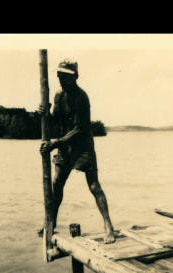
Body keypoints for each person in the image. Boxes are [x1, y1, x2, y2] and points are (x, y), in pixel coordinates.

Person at [38, 59, 116, 244]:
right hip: (65, 147)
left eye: (65, 77)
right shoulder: (58, 96)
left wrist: (55, 143)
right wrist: (45, 113)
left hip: (83, 146)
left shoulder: (82, 97)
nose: (61, 80)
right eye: (59, 76)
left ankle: (108, 227)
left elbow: (80, 128)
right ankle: (51, 223)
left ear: (75, 77)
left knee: (94, 186)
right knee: (57, 185)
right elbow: (56, 121)